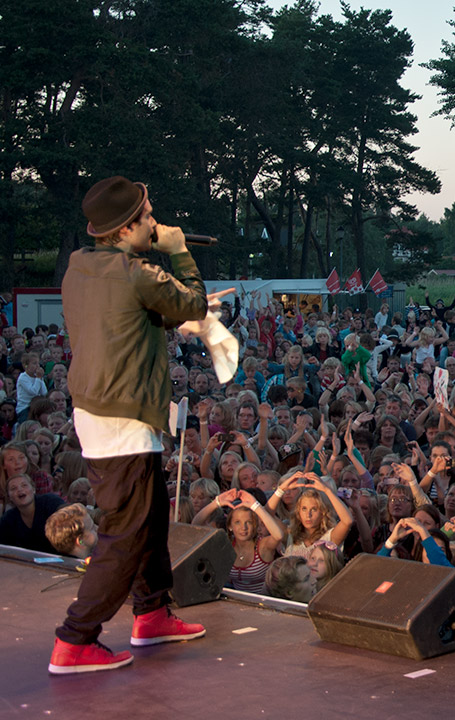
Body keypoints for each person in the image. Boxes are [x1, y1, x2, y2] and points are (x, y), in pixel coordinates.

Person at [51, 176, 228, 674]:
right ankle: (75, 638)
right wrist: (178, 254)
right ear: (127, 228)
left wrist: (171, 314)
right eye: (148, 216)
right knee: (124, 534)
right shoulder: (137, 271)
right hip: (123, 416)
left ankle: (151, 614)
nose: (156, 223)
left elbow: (123, 320)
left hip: (101, 408)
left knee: (148, 521)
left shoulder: (81, 267)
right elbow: (192, 302)